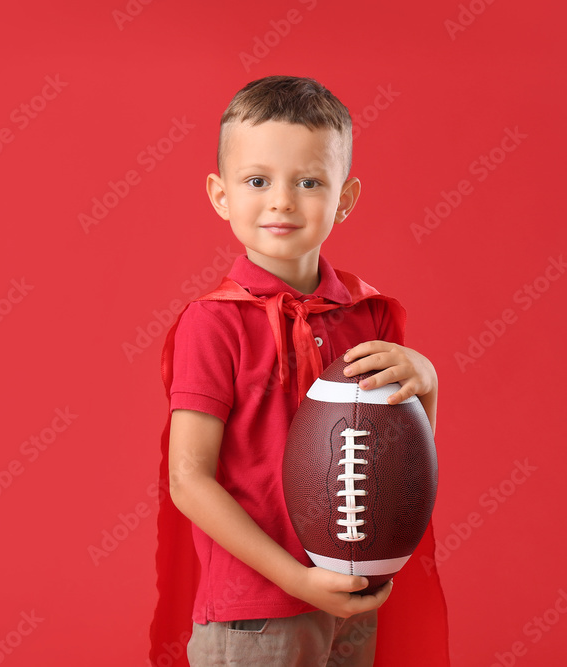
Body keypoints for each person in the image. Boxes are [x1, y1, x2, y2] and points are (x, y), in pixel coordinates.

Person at [150, 75, 449, 666]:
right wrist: (294, 579)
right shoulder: (213, 323)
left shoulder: (369, 313)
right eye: (257, 181)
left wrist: (428, 381)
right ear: (220, 195)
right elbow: (189, 479)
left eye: (309, 182)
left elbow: (402, 460)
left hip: (349, 592)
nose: (282, 200)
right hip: (254, 610)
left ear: (345, 197)